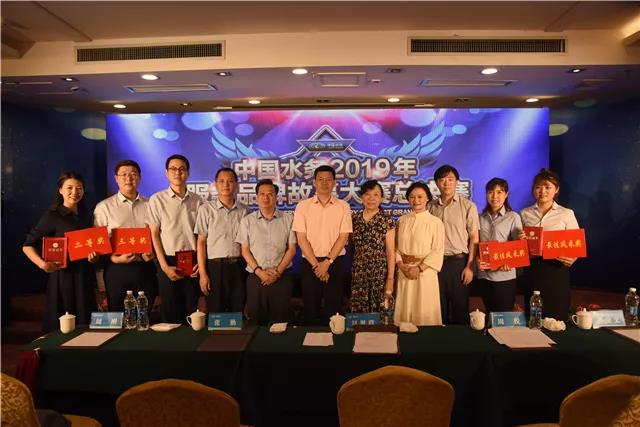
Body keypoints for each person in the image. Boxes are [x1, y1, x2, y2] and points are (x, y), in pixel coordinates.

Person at [22, 171, 98, 332]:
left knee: (86, 321)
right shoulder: (53, 215)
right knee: (64, 324)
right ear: (60, 190)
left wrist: (94, 257)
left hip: (84, 275)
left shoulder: (87, 216)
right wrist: (43, 264)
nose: (75, 192)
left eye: (79, 188)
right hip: (63, 277)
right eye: (69, 188)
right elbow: (28, 245)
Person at [93, 160, 157, 312]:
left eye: (133, 174)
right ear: (116, 178)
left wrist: (153, 253)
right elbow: (98, 242)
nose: (129, 178)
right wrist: (113, 258)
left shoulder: (151, 204)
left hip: (145, 267)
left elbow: (158, 235)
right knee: (118, 315)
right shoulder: (104, 207)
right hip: (117, 269)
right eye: (124, 175)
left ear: (139, 177)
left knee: (144, 314)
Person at [292, 165, 352, 325]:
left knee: (334, 308)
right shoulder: (302, 206)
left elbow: (343, 237)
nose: (324, 183)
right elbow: (301, 238)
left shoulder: (343, 206)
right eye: (320, 179)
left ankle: (334, 339)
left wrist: (327, 262)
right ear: (314, 182)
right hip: (310, 263)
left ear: (334, 183)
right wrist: (316, 265)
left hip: (335, 263)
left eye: (328, 180)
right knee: (311, 308)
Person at [146, 154, 202, 323]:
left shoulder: (198, 200)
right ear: (166, 173)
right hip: (168, 260)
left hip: (192, 260)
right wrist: (163, 266)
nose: (178, 173)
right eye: (173, 169)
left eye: (182, 169)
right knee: (170, 311)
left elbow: (201, 235)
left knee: (191, 310)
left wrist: (200, 262)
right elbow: (154, 234)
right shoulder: (157, 199)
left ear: (188, 173)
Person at [520, 168, 579, 321]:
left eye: (547, 187)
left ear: (556, 190)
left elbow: (576, 244)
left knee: (556, 316)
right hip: (533, 270)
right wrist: (521, 242)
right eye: (538, 187)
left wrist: (572, 258)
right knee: (533, 318)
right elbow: (520, 244)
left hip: (557, 270)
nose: (543, 191)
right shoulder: (524, 213)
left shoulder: (566, 213)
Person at [236, 179, 297, 325]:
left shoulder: (288, 219)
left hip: (281, 277)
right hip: (256, 277)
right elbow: (245, 250)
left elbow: (292, 249)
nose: (266, 197)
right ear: (256, 197)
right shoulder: (247, 221)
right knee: (257, 321)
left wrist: (278, 272)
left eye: (270, 194)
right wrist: (259, 272)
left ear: (276, 197)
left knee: (281, 321)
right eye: (262, 194)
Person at [428, 164, 479, 325]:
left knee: (460, 309)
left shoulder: (468, 206)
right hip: (436, 264)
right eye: (442, 179)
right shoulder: (430, 207)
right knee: (437, 308)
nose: (446, 183)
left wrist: (470, 267)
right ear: (436, 183)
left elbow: (474, 239)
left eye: (450, 179)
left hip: (459, 263)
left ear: (457, 182)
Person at [195, 167, 248, 313]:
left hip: (238, 267)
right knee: (215, 313)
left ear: (236, 185)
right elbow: (201, 242)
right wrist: (203, 274)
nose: (226, 185)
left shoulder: (244, 210)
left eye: (230, 181)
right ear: (216, 185)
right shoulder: (206, 209)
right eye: (222, 181)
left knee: (237, 312)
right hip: (214, 268)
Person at [394, 182, 444, 326]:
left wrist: (419, 268)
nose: (416, 200)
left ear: (427, 198)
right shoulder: (402, 220)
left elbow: (437, 250)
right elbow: (395, 247)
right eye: (412, 197)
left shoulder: (435, 222)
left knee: (424, 310)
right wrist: (401, 265)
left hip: (425, 273)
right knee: (405, 311)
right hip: (404, 271)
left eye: (420, 197)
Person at [477, 178, 523, 313]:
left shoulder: (513, 217)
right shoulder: (480, 217)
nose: (494, 196)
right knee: (489, 314)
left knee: (504, 315)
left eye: (499, 192)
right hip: (484, 275)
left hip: (504, 276)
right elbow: (476, 244)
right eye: (490, 192)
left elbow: (519, 247)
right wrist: (477, 260)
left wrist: (511, 262)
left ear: (506, 194)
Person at [349, 180, 396, 313]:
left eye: (376, 195)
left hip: (380, 274)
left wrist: (390, 279)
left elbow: (390, 252)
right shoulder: (354, 219)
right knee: (359, 313)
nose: (371, 198)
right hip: (359, 273)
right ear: (361, 197)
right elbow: (351, 247)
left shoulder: (387, 220)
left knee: (379, 312)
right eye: (367, 194)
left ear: (381, 198)